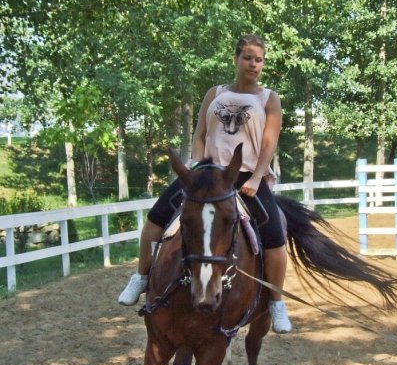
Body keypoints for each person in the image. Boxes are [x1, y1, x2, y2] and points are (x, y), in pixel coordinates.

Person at [118, 34, 292, 333]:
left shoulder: (269, 98)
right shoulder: (215, 93)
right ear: (235, 59)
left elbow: (268, 143)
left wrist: (256, 177)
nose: (253, 64)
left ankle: (276, 302)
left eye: (259, 59)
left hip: (245, 175)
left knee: (275, 236)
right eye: (247, 58)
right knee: (156, 219)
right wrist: (197, 167)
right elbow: (199, 135)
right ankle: (141, 276)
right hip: (207, 172)